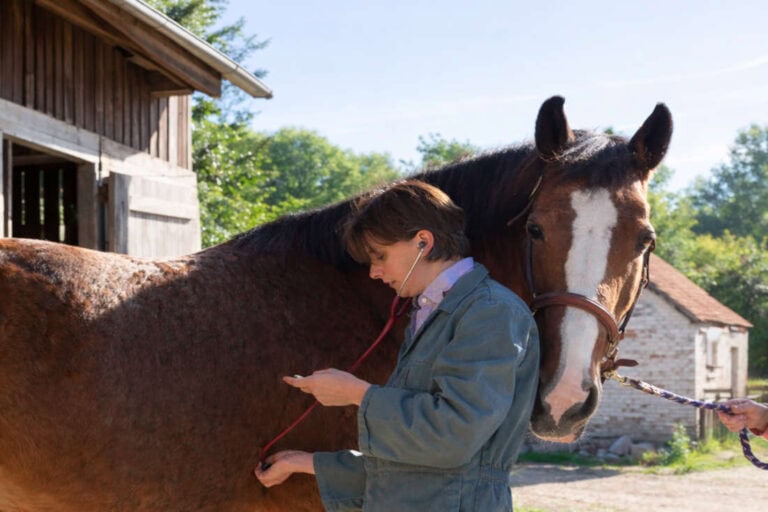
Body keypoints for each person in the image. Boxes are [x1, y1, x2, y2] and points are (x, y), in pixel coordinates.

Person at [254, 179, 540, 511]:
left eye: (380, 256)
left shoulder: (490, 313)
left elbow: (452, 436)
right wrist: (307, 463)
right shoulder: (431, 313)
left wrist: (356, 393)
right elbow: (410, 468)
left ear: (423, 242)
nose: (374, 272)